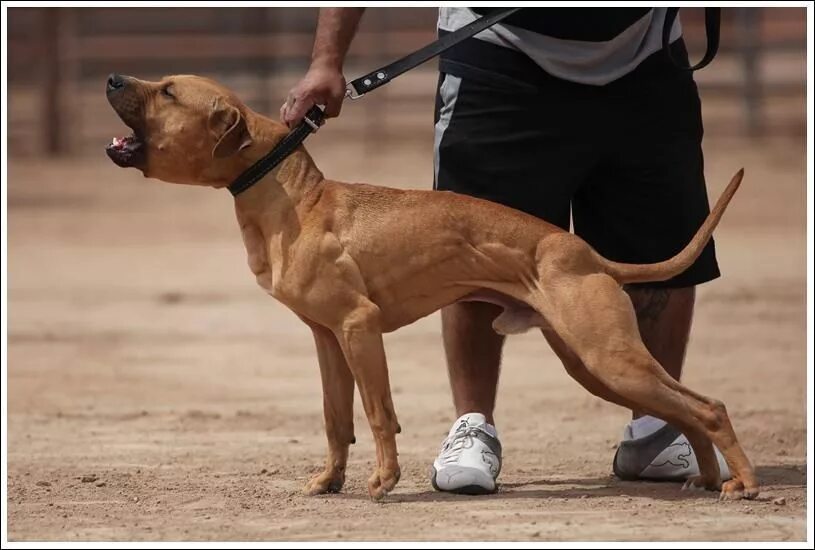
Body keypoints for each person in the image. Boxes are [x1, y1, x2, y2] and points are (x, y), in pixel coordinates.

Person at [281, 7, 731, 494]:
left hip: (645, 50)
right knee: (462, 249)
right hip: (497, 48)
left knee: (657, 252)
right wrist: (327, 59)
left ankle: (657, 429)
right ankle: (473, 425)